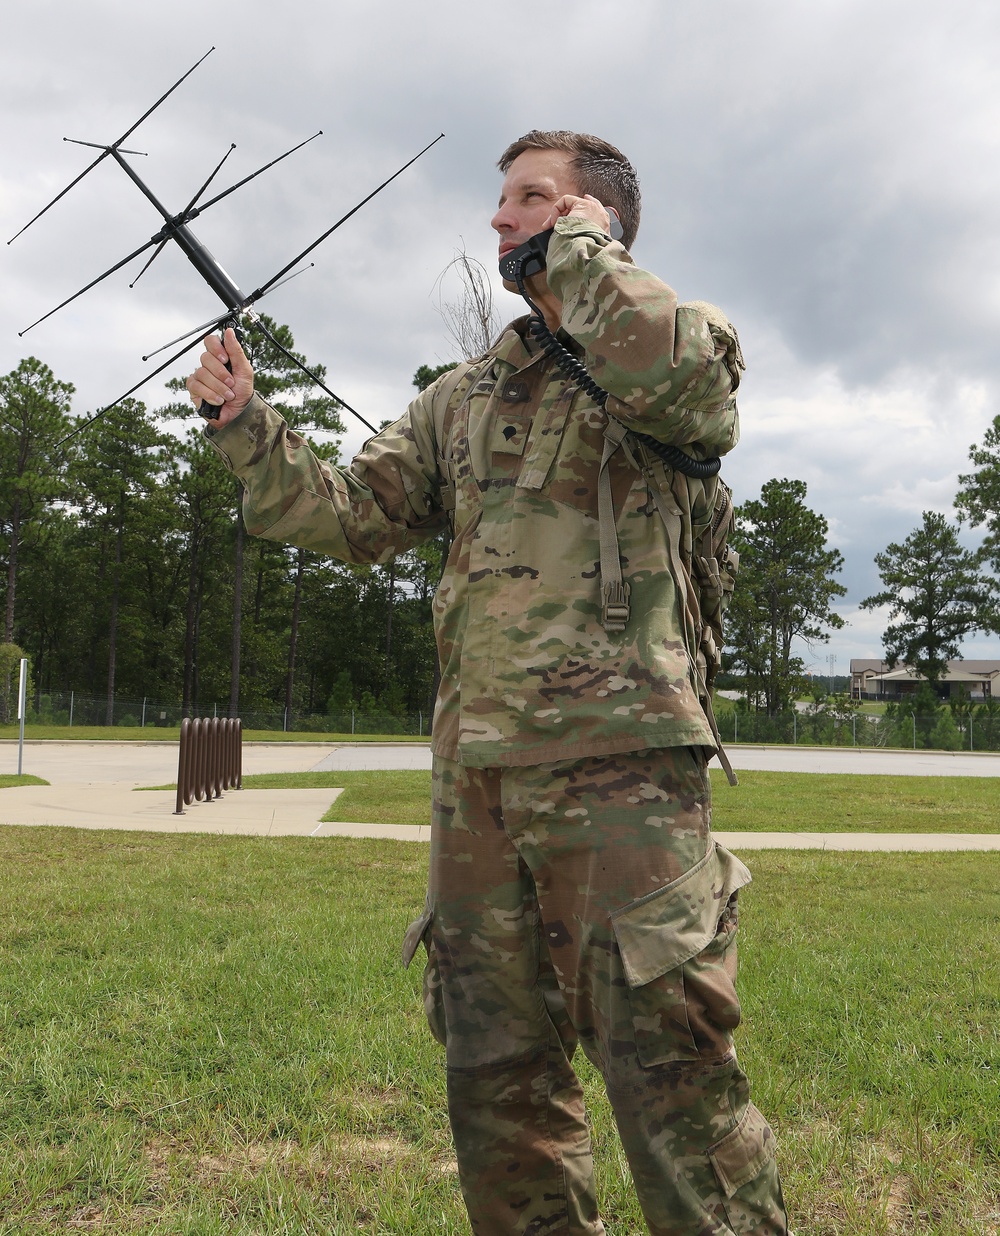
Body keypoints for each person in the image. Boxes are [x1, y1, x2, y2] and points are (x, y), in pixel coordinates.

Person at [188, 130, 789, 1236]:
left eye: (533, 200)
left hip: (623, 779)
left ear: (594, 223)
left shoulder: (676, 347)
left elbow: (683, 384)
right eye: (502, 200)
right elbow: (347, 517)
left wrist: (582, 254)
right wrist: (245, 427)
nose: (501, 219)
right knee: (499, 1091)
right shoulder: (462, 397)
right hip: (476, 791)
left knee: (675, 1089)